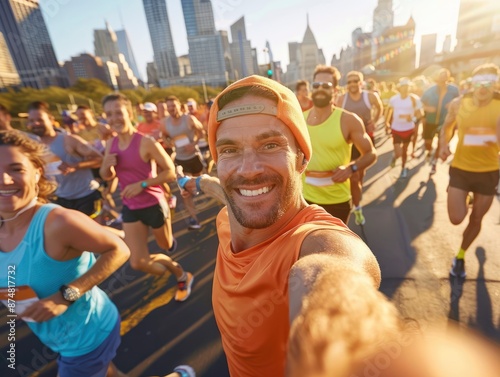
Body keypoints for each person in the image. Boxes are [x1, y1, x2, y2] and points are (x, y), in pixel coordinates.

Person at [178, 75, 382, 376]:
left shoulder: (315, 242)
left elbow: (334, 271)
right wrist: (192, 182)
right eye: (229, 150)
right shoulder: (230, 213)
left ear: (301, 159)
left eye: (270, 144)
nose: (248, 170)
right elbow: (217, 189)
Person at [0, 130, 130, 377]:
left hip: (88, 336)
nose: (4, 179)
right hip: (58, 338)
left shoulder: (57, 222)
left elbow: (119, 249)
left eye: (16, 169)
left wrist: (67, 295)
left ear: (37, 172)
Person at [100, 93, 193, 302]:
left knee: (166, 246)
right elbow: (107, 176)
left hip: (153, 203)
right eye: (108, 114)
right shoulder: (110, 144)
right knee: (138, 262)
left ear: (130, 113)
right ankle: (180, 274)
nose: (113, 118)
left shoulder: (146, 142)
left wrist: (142, 184)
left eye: (118, 112)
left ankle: (173, 262)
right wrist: (105, 166)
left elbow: (169, 173)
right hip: (131, 206)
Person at [438, 63, 500, 278]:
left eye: (488, 83)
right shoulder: (459, 103)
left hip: (489, 171)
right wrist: (444, 145)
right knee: (456, 218)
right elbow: (446, 127)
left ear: (495, 84)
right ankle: (466, 196)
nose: (483, 88)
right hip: (461, 168)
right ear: (472, 83)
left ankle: (460, 256)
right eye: (479, 82)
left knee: (476, 219)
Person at [302, 65, 377, 224]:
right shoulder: (299, 119)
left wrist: (351, 168)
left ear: (335, 90)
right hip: (305, 199)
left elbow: (371, 154)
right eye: (316, 85)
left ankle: (357, 208)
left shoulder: (349, 120)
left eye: (326, 86)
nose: (320, 89)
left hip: (337, 200)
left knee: (333, 247)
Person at [27, 101, 103, 217]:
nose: (36, 123)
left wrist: (75, 166)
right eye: (32, 121)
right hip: (60, 200)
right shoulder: (33, 147)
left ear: (51, 120)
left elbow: (100, 159)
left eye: (40, 120)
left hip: (86, 196)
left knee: (96, 233)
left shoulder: (68, 140)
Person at [337, 71, 383, 225]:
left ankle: (356, 199)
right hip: (348, 143)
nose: (352, 84)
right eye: (349, 81)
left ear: (360, 82)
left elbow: (379, 107)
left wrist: (374, 120)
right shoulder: (341, 99)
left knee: (360, 175)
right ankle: (356, 205)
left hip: (365, 139)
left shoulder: (369, 96)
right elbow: (336, 116)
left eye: (355, 81)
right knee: (353, 175)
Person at [162, 95, 206, 230]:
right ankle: (194, 219)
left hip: (194, 157)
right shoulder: (165, 122)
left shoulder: (188, 119)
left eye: (173, 106)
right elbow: (164, 136)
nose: (171, 109)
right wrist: (168, 141)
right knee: (185, 189)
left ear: (179, 106)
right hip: (180, 160)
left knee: (200, 184)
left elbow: (201, 132)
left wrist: (194, 143)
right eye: (168, 107)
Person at [421, 68, 459, 174]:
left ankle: (434, 162)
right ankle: (430, 152)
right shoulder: (430, 89)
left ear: (448, 77)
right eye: (441, 76)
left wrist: (452, 106)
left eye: (445, 76)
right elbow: (421, 103)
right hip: (430, 120)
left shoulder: (454, 90)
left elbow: (459, 103)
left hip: (445, 121)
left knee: (440, 143)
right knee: (428, 143)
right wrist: (428, 109)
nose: (443, 79)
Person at [386, 78, 424, 178]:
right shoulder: (394, 99)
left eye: (407, 87)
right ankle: (395, 157)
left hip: (408, 129)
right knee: (398, 152)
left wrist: (413, 118)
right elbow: (389, 110)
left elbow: (420, 113)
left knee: (405, 151)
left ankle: (403, 168)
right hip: (396, 129)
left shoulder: (414, 99)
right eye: (403, 87)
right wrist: (386, 122)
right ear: (400, 88)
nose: (405, 89)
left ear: (410, 87)